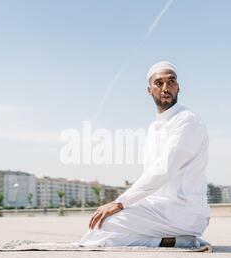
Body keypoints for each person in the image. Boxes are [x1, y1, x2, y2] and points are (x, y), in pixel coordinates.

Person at [79, 61, 210, 248]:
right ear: (149, 90)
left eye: (171, 82)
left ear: (178, 87)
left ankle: (174, 240)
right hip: (159, 208)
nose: (166, 88)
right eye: (159, 83)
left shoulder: (187, 121)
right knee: (99, 227)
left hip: (184, 211)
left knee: (103, 227)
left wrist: (120, 203)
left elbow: (164, 169)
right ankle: (174, 241)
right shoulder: (154, 128)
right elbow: (151, 175)